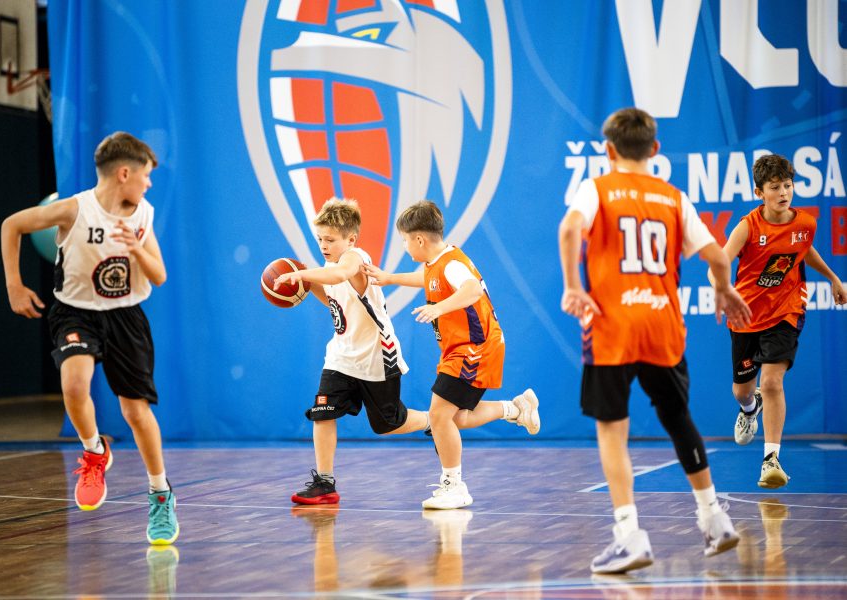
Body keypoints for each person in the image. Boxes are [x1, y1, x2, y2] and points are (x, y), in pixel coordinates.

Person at [558, 108, 752, 573]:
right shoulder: (673, 198)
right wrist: (723, 289)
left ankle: (629, 536)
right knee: (678, 418)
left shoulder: (597, 188)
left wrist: (573, 286)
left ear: (609, 151)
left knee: (612, 429)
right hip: (662, 324)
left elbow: (569, 229)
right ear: (655, 149)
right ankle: (714, 517)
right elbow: (717, 256)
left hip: (612, 325)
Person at [1, 131, 178, 545]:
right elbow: (13, 225)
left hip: (125, 316)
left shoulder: (142, 215)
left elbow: (159, 275)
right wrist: (14, 285)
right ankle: (94, 450)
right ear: (123, 173)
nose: (149, 183)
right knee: (75, 385)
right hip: (75, 311)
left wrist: (136, 249)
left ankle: (160, 493)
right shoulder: (73, 209)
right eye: (145, 175)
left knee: (135, 412)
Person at [364, 200, 540, 510]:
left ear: (419, 239)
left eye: (405, 240)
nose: (404, 246)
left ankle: (454, 486)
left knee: (438, 415)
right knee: (457, 418)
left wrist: (439, 308)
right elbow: (427, 280)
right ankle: (515, 409)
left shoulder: (452, 264)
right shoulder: (438, 263)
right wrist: (390, 278)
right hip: (463, 348)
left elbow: (472, 290)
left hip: (476, 348)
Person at [273, 198, 431, 505]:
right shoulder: (330, 267)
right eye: (320, 239)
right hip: (341, 356)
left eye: (330, 240)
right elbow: (334, 300)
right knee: (322, 413)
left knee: (388, 424)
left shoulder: (356, 259)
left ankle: (431, 422)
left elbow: (339, 275)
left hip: (376, 356)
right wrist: (304, 286)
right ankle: (325, 482)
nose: (323, 245)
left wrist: (303, 275)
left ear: (351, 239)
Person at [711, 154, 846, 488]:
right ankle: (749, 408)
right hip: (745, 316)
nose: (783, 192)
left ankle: (771, 460)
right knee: (742, 390)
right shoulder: (748, 226)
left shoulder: (805, 223)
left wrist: (833, 278)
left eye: (787, 185)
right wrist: (722, 290)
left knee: (772, 382)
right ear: (760, 192)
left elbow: (804, 249)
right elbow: (719, 264)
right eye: (775, 187)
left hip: (786, 310)